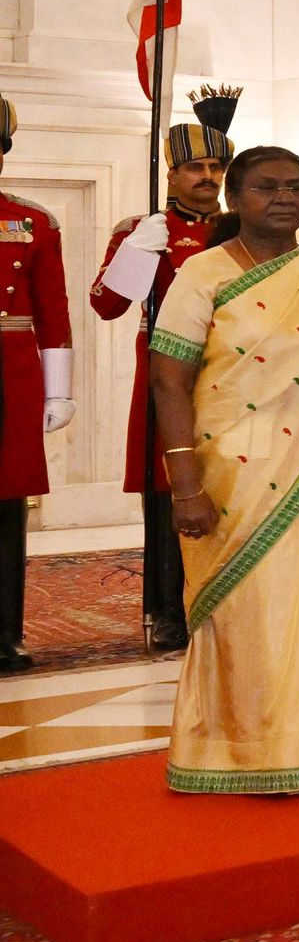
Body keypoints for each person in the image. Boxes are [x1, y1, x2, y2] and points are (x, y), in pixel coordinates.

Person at [146, 146, 299, 793]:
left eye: (295, 186)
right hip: (231, 475)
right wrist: (185, 483)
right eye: (266, 186)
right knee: (246, 612)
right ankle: (232, 751)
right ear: (234, 198)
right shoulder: (201, 274)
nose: (284, 197)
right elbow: (168, 381)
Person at [89, 85, 234, 650]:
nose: (208, 177)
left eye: (216, 167)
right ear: (171, 174)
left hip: (231, 368)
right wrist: (136, 252)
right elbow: (107, 305)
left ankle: (220, 602)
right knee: (166, 487)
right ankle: (165, 609)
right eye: (195, 167)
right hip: (169, 367)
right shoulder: (143, 229)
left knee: (228, 482)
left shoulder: (239, 229)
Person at [0, 97, 75, 677]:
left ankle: (5, 633)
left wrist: (58, 390)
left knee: (7, 507)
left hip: (12, 374)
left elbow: (53, 310)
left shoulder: (32, 222)